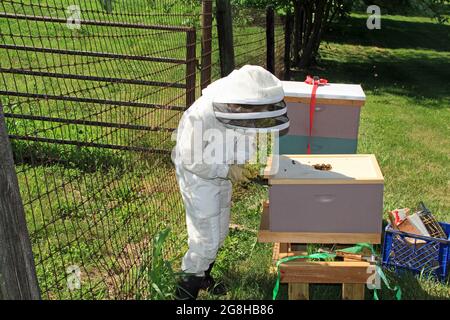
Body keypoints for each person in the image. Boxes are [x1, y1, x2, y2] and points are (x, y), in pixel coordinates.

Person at [172, 65, 289, 300]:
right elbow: (190, 159)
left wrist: (244, 162)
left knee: (221, 232)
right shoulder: (201, 115)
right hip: (198, 179)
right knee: (205, 239)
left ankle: (203, 275)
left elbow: (245, 135)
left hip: (221, 174)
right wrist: (227, 169)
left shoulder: (241, 110)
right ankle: (184, 293)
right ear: (240, 102)